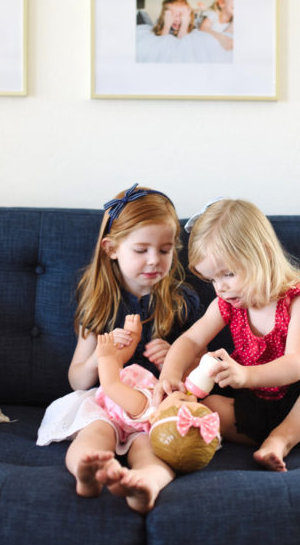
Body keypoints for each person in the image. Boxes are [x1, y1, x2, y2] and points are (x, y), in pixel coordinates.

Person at [154, 199, 300, 473]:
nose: (221, 288)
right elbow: (191, 341)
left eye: (228, 274)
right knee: (212, 405)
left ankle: (282, 439)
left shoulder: (298, 301)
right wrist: (169, 375)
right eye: (213, 280)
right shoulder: (227, 304)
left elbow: (297, 364)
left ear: (262, 254)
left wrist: (246, 375)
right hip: (264, 403)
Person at [37, 183, 202, 514]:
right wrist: (102, 357)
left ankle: (146, 483)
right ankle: (88, 471)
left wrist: (176, 358)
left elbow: (201, 370)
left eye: (165, 250)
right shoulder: (99, 303)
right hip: (106, 401)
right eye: (141, 250)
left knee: (153, 447)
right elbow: (77, 380)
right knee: (95, 433)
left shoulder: (183, 301)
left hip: (155, 404)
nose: (154, 260)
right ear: (111, 248)